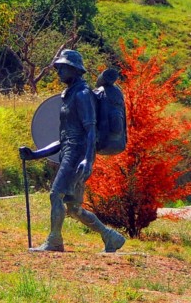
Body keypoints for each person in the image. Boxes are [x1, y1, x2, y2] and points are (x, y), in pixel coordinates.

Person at [19, 49, 125, 253]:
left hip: (78, 154)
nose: (58, 71)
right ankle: (111, 237)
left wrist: (87, 160)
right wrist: (35, 154)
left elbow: (90, 129)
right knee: (74, 208)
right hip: (72, 150)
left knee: (55, 194)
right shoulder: (69, 95)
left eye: (62, 67)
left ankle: (54, 241)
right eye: (58, 67)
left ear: (74, 70)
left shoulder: (83, 94)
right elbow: (63, 139)